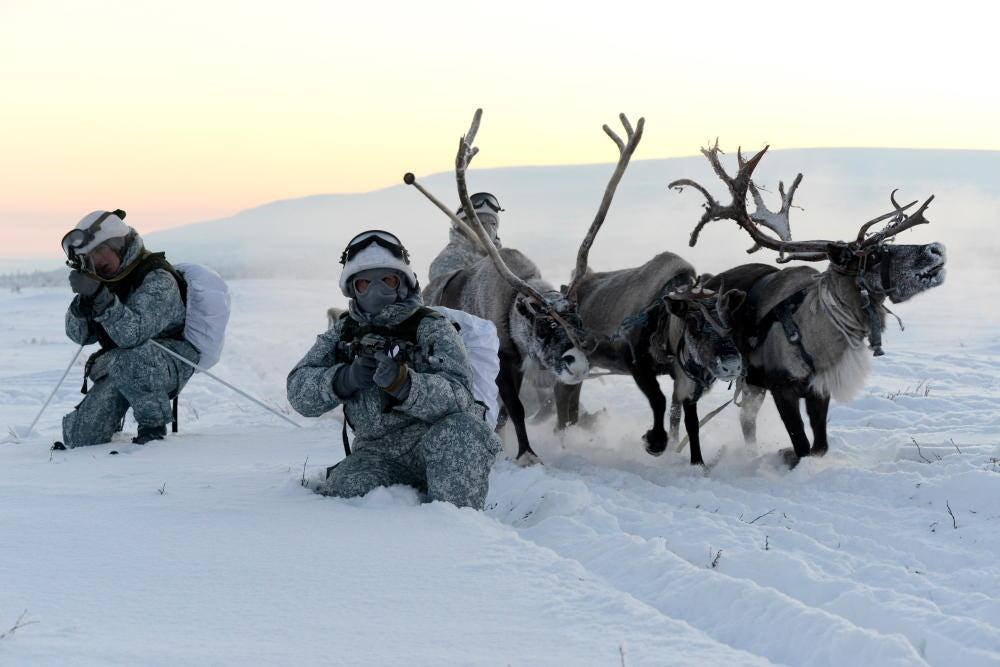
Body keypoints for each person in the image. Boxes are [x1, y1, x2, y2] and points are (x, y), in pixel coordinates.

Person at [287, 230, 501, 509]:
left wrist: (406, 385)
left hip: (437, 443)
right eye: (364, 283)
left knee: (464, 431)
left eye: (387, 280)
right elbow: (298, 392)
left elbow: (460, 397)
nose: (375, 291)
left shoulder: (432, 327)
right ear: (352, 289)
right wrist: (343, 379)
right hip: (377, 453)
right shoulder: (344, 332)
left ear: (403, 284)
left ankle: (454, 526)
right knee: (344, 495)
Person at [55, 210, 198, 449]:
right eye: (89, 256)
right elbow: (79, 336)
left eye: (100, 250)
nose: (96, 260)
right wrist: (83, 305)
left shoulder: (157, 278)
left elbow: (132, 335)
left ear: (118, 244)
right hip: (121, 363)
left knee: (131, 358)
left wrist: (101, 299)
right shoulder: (104, 281)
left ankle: (153, 430)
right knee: (81, 438)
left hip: (169, 361)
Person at [427, 191, 503, 282]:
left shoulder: (503, 260)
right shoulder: (446, 262)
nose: (488, 229)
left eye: (493, 224)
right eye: (480, 223)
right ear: (462, 227)